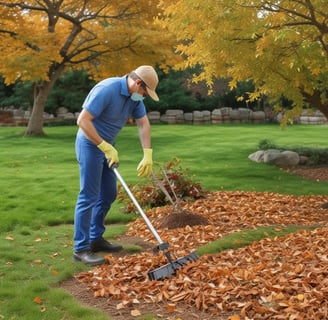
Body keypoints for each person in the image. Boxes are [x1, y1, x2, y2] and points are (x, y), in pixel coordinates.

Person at [72, 65, 159, 266]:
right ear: (138, 83)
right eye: (145, 92)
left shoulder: (133, 98)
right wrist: (103, 146)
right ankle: (81, 249)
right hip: (90, 144)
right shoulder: (107, 89)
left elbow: (143, 123)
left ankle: (95, 239)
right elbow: (82, 120)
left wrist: (148, 154)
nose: (144, 96)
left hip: (108, 147)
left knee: (109, 194)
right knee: (89, 196)